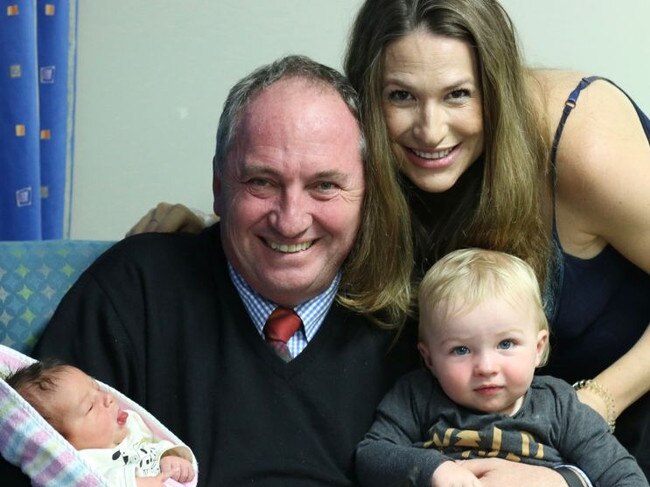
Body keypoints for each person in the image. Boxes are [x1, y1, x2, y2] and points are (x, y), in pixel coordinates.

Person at [0, 54, 583, 487]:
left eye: (325, 185)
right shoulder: (134, 290)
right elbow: (31, 461)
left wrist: (566, 480)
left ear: (367, 193)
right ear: (218, 186)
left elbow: (536, 433)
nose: (291, 218)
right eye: (261, 182)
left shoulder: (428, 315)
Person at [131, 0, 650, 476]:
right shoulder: (390, 170)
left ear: (494, 87)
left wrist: (598, 402)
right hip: (509, 442)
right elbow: (305, 209)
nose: (429, 129)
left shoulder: (580, 142)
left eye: (458, 95)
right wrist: (215, 226)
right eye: (401, 95)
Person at [356, 248, 648, 487]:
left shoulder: (559, 406)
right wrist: (435, 469)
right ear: (429, 358)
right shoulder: (417, 396)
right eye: (461, 349)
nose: (485, 366)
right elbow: (370, 456)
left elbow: (624, 477)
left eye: (506, 344)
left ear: (538, 348)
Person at [6, 360, 196, 487]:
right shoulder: (83, 465)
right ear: (62, 441)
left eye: (97, 388)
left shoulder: (132, 425)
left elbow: (153, 447)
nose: (108, 398)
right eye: (90, 407)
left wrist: (169, 458)